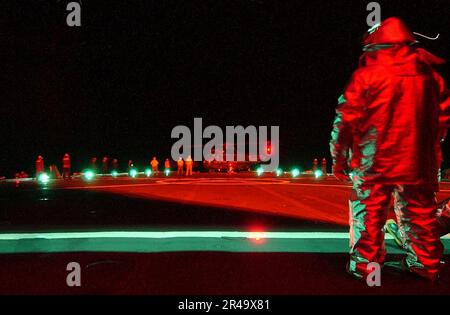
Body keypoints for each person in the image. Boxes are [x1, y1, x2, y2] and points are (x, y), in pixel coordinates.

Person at [330, 17, 450, 281]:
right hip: (418, 161)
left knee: (369, 214)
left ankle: (366, 267)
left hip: (374, 161)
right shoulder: (430, 76)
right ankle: (425, 266)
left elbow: (345, 118)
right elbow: (442, 120)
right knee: (419, 214)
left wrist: (338, 158)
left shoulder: (367, 75)